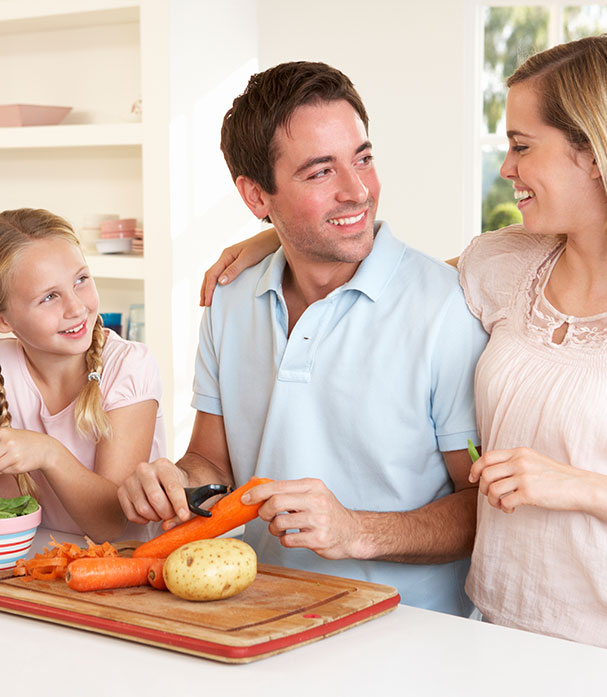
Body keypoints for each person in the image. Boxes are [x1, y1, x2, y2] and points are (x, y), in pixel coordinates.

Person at [199, 36, 607, 676]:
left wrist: (583, 488)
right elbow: (380, 272)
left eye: (522, 146)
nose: (506, 168)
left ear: (598, 153)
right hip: (498, 645)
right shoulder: (506, 263)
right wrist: (270, 232)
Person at [118, 62, 488, 614]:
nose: (357, 189)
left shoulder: (446, 308)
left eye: (363, 157)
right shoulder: (229, 296)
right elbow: (210, 461)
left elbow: (482, 508)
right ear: (255, 197)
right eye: (320, 172)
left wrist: (355, 531)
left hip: (407, 637)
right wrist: (174, 484)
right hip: (258, 615)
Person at [0, 208, 166, 543]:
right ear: (0, 321)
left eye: (81, 280)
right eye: (49, 297)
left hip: (126, 561)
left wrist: (49, 453)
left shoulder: (129, 368)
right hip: (43, 555)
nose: (76, 307)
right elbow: (9, 506)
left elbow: (112, 526)